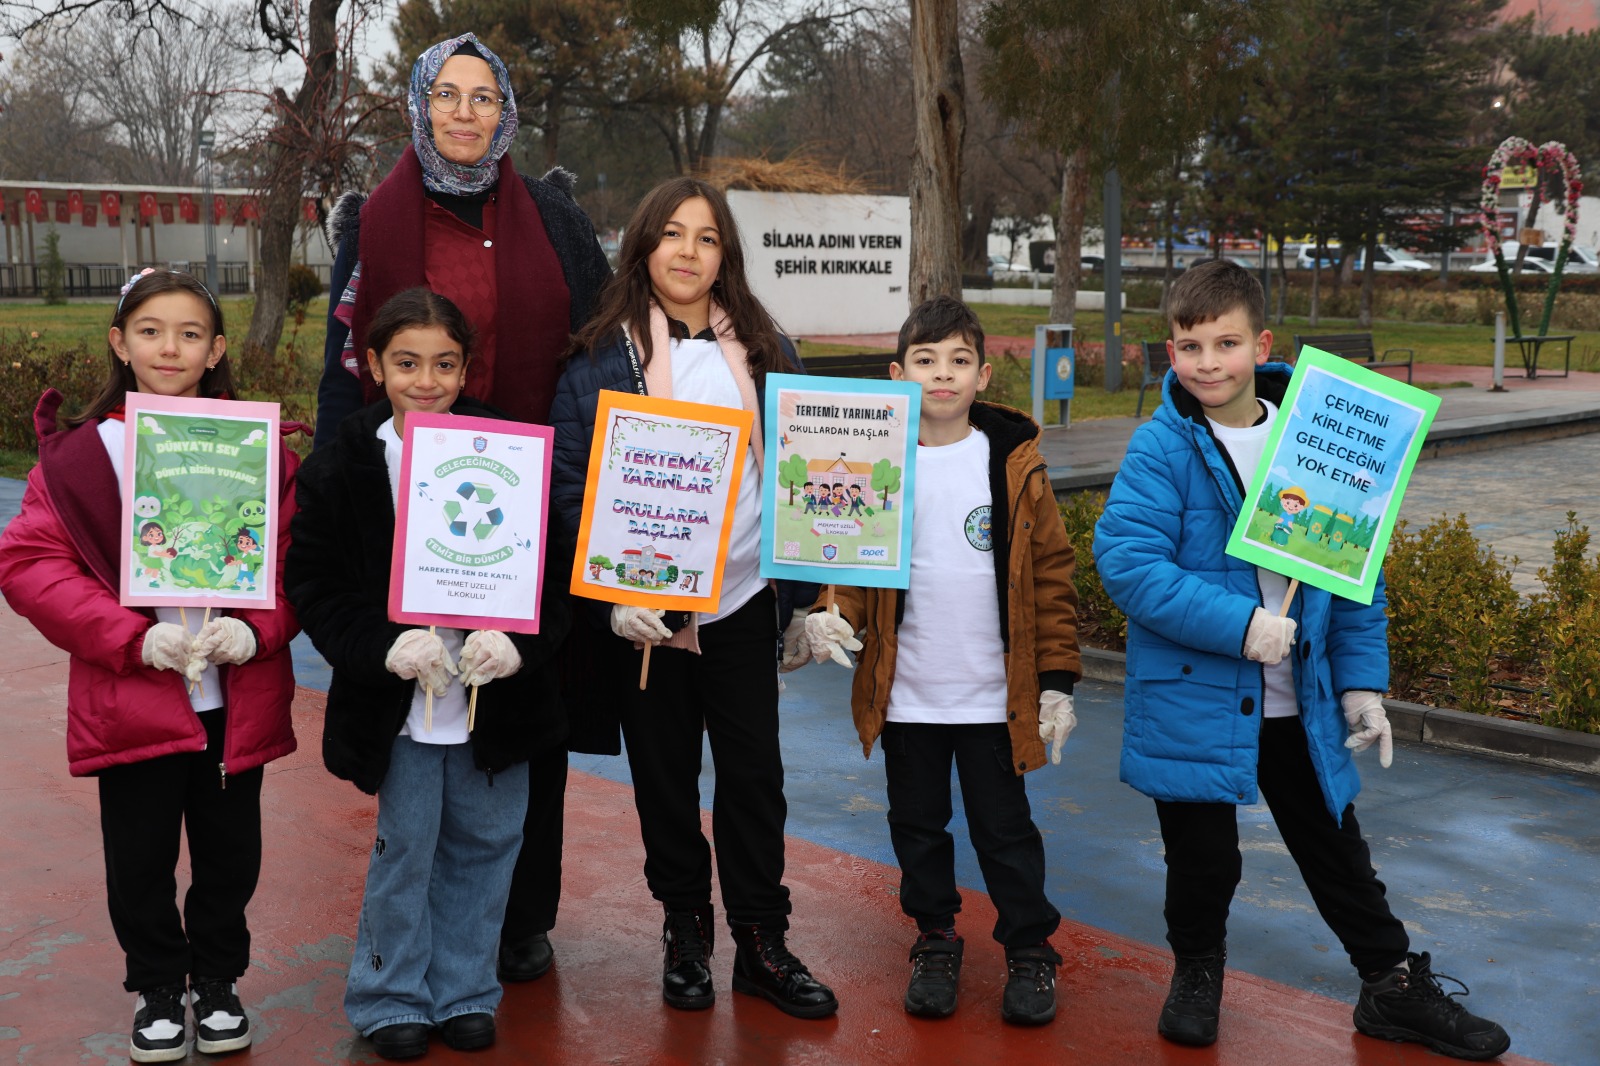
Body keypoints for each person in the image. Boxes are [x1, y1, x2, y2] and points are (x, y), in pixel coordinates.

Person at [1091, 259, 1511, 1061]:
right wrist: (1243, 625)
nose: (1208, 362)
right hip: (1195, 697)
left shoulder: (1318, 438)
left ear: (1262, 343)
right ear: (1168, 352)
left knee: (1336, 849)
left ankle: (1390, 985)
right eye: (1189, 346)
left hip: (1297, 702)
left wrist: (1360, 686)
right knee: (1202, 860)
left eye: (1225, 342)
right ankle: (1198, 970)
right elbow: (1131, 565)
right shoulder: (1161, 448)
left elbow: (1356, 575)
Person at [314, 30, 611, 985]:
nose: (465, 112)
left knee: (528, 699)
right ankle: (411, 953)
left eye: (484, 96)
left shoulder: (555, 217)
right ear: (420, 104)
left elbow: (604, 348)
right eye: (448, 93)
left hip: (530, 489)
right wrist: (333, 475)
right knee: (420, 726)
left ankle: (518, 920)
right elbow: (345, 357)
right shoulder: (378, 218)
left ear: (506, 111)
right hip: (407, 491)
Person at [548, 176, 837, 1019]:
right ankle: (684, 929)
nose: (687, 251)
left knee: (755, 780)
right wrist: (608, 596)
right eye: (671, 233)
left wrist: (811, 594)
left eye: (706, 238)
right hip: (645, 615)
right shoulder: (600, 356)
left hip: (744, 602)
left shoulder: (768, 348)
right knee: (664, 783)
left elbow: (810, 475)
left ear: (726, 256)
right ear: (642, 245)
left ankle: (759, 941)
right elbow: (572, 489)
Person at [0, 269, 300, 1063]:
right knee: (138, 855)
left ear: (217, 349)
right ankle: (160, 986)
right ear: (119, 343)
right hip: (134, 695)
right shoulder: (80, 458)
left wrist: (256, 629)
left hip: (232, 698)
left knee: (230, 852)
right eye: (151, 330)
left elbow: (297, 564)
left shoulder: (261, 449)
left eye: (191, 333)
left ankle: (221, 979)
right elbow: (30, 564)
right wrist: (131, 639)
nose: (170, 347)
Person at [287, 288, 570, 1060]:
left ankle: (465, 989)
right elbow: (313, 584)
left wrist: (521, 641)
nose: (426, 379)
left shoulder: (511, 450)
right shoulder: (343, 464)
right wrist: (384, 645)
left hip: (494, 703)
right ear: (374, 364)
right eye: (406, 362)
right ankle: (389, 995)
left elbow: (554, 574)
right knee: (407, 847)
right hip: (403, 704)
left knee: (487, 843)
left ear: (466, 367)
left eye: (445, 363)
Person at [800, 295, 1081, 1025]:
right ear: (899, 373)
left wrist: (1056, 682)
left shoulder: (1014, 465)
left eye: (959, 361)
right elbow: (851, 568)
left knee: (1005, 831)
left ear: (984, 374)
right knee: (917, 827)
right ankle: (935, 938)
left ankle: (1030, 950)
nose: (942, 375)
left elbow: (1050, 578)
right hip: (909, 695)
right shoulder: (874, 464)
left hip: (995, 699)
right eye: (925, 361)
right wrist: (832, 615)